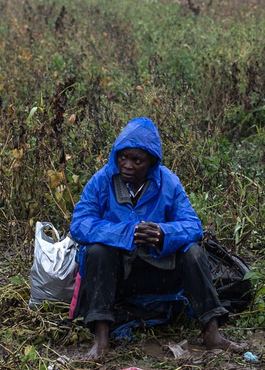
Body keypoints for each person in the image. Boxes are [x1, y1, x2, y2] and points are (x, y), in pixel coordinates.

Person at [69, 117, 239, 359]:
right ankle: (101, 338)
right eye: (122, 157)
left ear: (151, 162)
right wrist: (124, 232)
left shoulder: (168, 182)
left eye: (136, 160)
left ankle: (212, 332)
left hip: (158, 270)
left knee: (193, 252)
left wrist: (163, 234)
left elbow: (193, 226)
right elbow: (79, 224)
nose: (126, 165)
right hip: (117, 275)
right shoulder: (102, 180)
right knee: (97, 251)